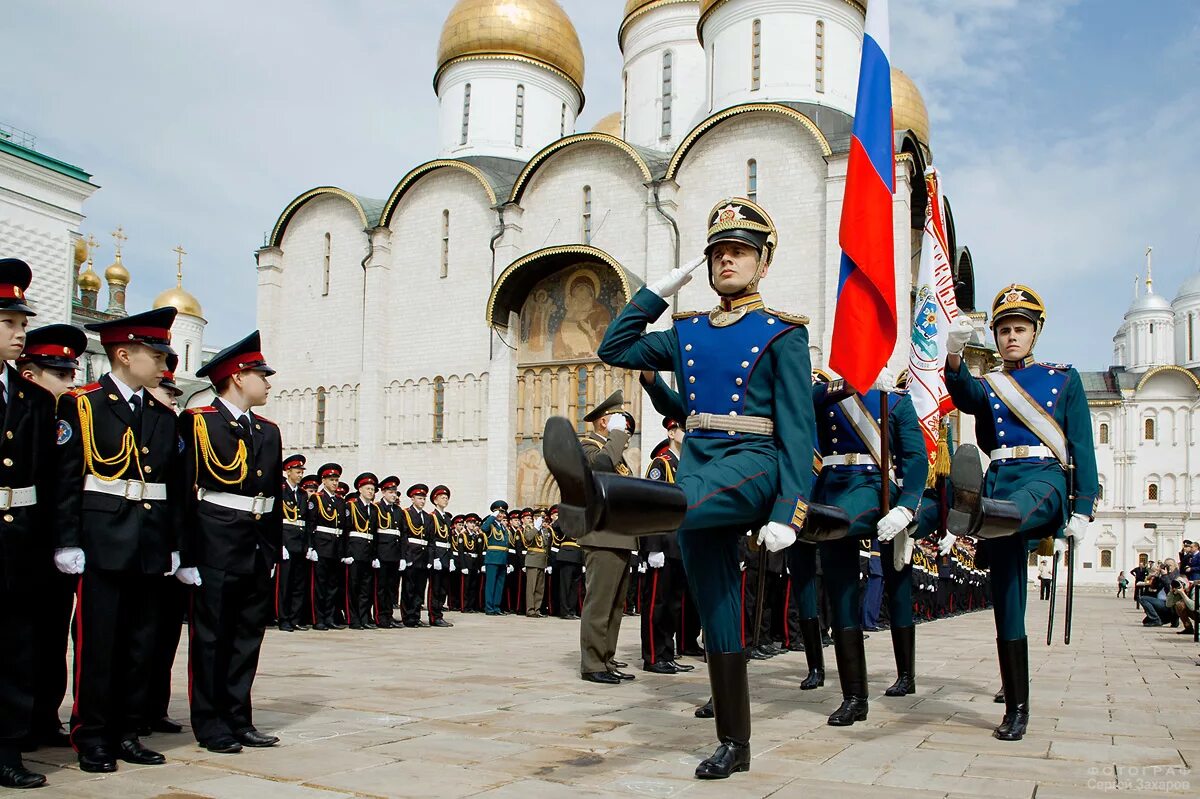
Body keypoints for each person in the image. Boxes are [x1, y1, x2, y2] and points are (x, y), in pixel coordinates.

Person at [544, 198, 815, 779]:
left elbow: (799, 427)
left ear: (764, 262)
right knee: (718, 605)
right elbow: (614, 349)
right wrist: (656, 292)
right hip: (698, 464)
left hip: (752, 461)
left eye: (740, 251)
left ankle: (602, 500)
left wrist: (790, 510)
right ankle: (735, 744)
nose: (726, 260)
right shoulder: (687, 331)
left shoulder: (783, 334)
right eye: (718, 252)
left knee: (685, 504)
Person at [941, 284, 1098, 742]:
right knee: (1007, 605)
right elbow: (965, 394)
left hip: (1045, 479)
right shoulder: (992, 386)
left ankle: (973, 510)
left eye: (1020, 329)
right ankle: (1016, 707)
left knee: (1020, 506)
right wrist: (953, 355)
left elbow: (1082, 445)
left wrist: (1084, 506)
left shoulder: (1063, 379)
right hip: (1002, 476)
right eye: (1004, 329)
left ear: (1036, 332)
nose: (1011, 336)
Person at [55, 306, 182, 773]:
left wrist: (173, 545)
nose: (164, 364)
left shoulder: (161, 413)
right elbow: (69, 480)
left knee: (140, 644)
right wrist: (67, 542)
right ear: (125, 354)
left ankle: (127, 731)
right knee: (99, 645)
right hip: (103, 540)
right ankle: (92, 735)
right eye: (155, 353)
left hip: (148, 544)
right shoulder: (82, 404)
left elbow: (169, 488)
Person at [177, 330, 282, 753]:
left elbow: (273, 496)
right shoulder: (199, 422)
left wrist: (273, 549)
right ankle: (210, 721)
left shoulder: (267, 431)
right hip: (215, 539)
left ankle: (239, 717)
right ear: (238, 377)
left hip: (255, 543)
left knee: (246, 636)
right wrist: (185, 554)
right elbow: (185, 492)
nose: (268, 382)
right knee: (212, 637)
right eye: (261, 374)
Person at [809, 370, 929, 723]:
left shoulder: (896, 401)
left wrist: (907, 506)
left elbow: (915, 458)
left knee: (899, 586)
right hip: (831, 489)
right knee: (841, 595)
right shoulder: (828, 395)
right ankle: (855, 697)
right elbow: (799, 405)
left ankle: (906, 673)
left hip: (877, 491)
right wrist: (841, 387)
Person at [15, 323, 88, 752]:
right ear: (30, 374)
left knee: (52, 631)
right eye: (59, 374)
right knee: (21, 637)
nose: (70, 382)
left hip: (55, 541)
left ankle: (43, 716)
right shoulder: (23, 412)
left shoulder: (68, 418)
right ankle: (18, 721)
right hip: (23, 537)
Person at [0, 260, 58, 789]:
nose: (21, 334)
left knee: (18, 649)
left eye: (22, 325)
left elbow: (47, 477)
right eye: (9, 324)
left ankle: (8, 749)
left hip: (20, 541)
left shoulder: (34, 399)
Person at [575, 390, 639, 686]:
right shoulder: (587, 446)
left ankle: (606, 658)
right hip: (601, 536)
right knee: (599, 603)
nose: (625, 430)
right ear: (605, 422)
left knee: (615, 606)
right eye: (619, 422)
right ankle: (591, 663)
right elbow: (600, 467)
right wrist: (615, 436)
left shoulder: (618, 456)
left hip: (621, 536)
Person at [142, 355, 187, 737]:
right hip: (142, 544)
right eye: (166, 392)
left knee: (164, 634)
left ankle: (155, 706)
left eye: (175, 394)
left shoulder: (176, 430)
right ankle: (132, 710)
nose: (173, 399)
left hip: (171, 546)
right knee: (138, 635)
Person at [638, 418, 694, 675]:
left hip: (680, 543)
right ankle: (652, 656)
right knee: (657, 604)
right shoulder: (661, 464)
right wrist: (652, 546)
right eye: (684, 429)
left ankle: (667, 655)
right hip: (663, 543)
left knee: (673, 604)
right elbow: (650, 506)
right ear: (672, 432)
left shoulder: (685, 465)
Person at [306, 463, 347, 630]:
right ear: (323, 480)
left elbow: (343, 527)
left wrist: (343, 550)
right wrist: (310, 547)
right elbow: (311, 524)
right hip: (322, 544)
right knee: (320, 585)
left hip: (335, 546)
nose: (335, 483)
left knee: (332, 585)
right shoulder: (317, 498)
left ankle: (329, 617)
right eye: (331, 480)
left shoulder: (339, 500)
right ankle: (318, 618)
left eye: (336, 480)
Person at [277, 454, 309, 632]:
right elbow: (277, 521)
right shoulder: (280, 491)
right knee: (285, 585)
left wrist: (308, 546)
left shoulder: (302, 494)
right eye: (297, 472)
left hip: (300, 543)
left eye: (301, 472)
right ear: (288, 472)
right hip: (286, 543)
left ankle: (295, 618)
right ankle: (284, 618)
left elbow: (307, 522)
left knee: (299, 584)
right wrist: (279, 544)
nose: (300, 475)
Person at [343, 473, 379, 630]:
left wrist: (375, 555)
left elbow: (375, 534)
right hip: (354, 551)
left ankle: (364, 618)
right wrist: (346, 553)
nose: (371, 492)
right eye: (368, 489)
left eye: (372, 489)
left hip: (368, 552)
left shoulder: (374, 509)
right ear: (360, 489)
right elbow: (345, 531)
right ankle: (353, 619)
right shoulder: (351, 506)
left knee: (366, 588)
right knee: (353, 587)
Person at [374, 476, 405, 628]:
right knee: (381, 588)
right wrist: (375, 555)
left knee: (392, 589)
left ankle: (389, 615)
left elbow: (403, 535)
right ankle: (381, 617)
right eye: (391, 492)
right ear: (383, 492)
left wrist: (403, 557)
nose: (394, 495)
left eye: (395, 492)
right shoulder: (377, 508)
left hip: (394, 554)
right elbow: (373, 533)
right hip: (382, 554)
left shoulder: (398, 511)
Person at [400, 484, 432, 627]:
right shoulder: (406, 513)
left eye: (424, 498)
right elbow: (404, 536)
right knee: (409, 588)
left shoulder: (427, 517)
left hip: (423, 556)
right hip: (412, 554)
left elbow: (431, 540)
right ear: (412, 499)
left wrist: (430, 558)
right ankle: (408, 617)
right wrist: (406, 557)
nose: (422, 501)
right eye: (419, 498)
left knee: (420, 588)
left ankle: (416, 615)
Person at [426, 485, 454, 627]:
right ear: (435, 500)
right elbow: (431, 539)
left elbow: (449, 540)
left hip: (445, 556)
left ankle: (439, 614)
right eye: (443, 498)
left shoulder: (446, 518)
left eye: (447, 498)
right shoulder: (432, 517)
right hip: (437, 555)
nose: (445, 500)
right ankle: (434, 615)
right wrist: (433, 558)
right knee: (435, 587)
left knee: (443, 588)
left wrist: (451, 559)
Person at [482, 501, 510, 615]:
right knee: (491, 584)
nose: (500, 515)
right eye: (498, 512)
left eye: (502, 513)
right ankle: (489, 607)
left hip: (502, 559)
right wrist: (491, 517)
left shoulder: (503, 527)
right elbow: (483, 528)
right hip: (492, 558)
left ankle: (496, 607)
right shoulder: (491, 525)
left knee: (499, 584)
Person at [523, 510, 549, 618]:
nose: (542, 520)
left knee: (539, 588)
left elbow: (546, 547)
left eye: (543, 518)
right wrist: (536, 527)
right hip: (533, 559)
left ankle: (537, 609)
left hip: (542, 560)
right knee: (531, 587)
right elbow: (528, 537)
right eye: (540, 517)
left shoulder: (545, 530)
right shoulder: (530, 528)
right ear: (535, 518)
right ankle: (530, 610)